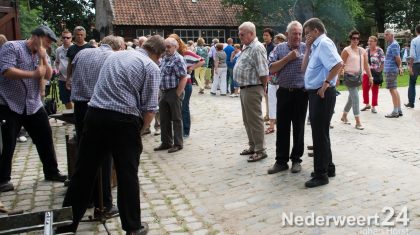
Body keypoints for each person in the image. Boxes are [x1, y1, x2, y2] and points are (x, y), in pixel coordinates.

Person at [59, 35, 166, 235]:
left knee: (83, 172)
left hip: (95, 114)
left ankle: (65, 225)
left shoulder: (115, 56)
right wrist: (139, 131)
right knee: (127, 175)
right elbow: (150, 109)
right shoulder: (151, 67)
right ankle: (133, 227)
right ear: (158, 54)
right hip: (123, 121)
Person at [0, 25, 67, 193]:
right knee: (8, 142)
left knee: (45, 137)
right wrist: (32, 74)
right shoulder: (12, 47)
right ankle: (3, 179)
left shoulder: (42, 54)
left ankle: (52, 171)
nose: (49, 46)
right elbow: (6, 71)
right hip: (9, 103)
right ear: (36, 37)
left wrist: (44, 59)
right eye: (47, 41)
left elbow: (48, 75)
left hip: (33, 104)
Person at [69, 35, 123, 216]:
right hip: (99, 108)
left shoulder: (82, 53)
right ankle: (105, 203)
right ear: (117, 47)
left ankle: (89, 199)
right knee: (104, 157)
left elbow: (71, 74)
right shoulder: (112, 58)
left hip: (80, 107)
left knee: (85, 155)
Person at [301, 18, 343, 188]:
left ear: (316, 30)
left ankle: (321, 174)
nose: (305, 37)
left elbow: (338, 64)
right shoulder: (316, 46)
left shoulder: (324, 44)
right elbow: (303, 69)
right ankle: (328, 167)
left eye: (307, 33)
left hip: (321, 93)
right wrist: (309, 48)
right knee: (322, 133)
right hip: (316, 93)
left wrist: (325, 84)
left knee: (319, 134)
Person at [267, 20, 307, 174]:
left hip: (300, 93)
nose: (297, 37)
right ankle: (281, 161)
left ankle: (296, 160)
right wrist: (288, 58)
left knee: (299, 128)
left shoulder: (306, 48)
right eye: (294, 33)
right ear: (287, 34)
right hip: (283, 92)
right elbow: (271, 68)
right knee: (282, 127)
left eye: (299, 34)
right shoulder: (279, 48)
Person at [234, 22, 269, 162]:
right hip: (245, 88)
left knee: (255, 120)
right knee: (247, 120)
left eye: (242, 34)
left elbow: (263, 71)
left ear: (251, 33)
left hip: (253, 88)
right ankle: (253, 146)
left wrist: (263, 87)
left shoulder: (257, 48)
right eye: (239, 34)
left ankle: (260, 150)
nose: (239, 36)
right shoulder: (247, 47)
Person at [154, 37, 187, 153]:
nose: (166, 49)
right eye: (165, 46)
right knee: (164, 118)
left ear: (175, 47)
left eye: (168, 47)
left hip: (173, 91)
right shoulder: (164, 58)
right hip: (163, 91)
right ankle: (166, 142)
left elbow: (184, 77)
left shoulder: (178, 59)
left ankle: (178, 143)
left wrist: (177, 94)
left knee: (176, 118)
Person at [168, 34, 204, 138]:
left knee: (184, 107)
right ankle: (176, 130)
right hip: (173, 85)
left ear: (177, 43)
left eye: (171, 44)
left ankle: (185, 131)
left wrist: (192, 67)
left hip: (186, 83)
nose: (168, 46)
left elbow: (201, 60)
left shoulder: (186, 53)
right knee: (174, 109)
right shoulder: (169, 54)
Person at [340, 30, 373, 130]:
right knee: (356, 98)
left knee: (351, 98)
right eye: (353, 38)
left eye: (357, 38)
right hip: (349, 77)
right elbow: (341, 64)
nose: (355, 40)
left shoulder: (362, 51)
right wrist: (338, 76)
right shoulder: (346, 50)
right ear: (350, 39)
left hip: (359, 77)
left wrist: (370, 76)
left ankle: (344, 116)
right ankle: (358, 122)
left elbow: (366, 65)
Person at [66, 26, 94, 92]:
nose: (79, 36)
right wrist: (68, 79)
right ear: (74, 35)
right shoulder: (71, 48)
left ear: (85, 36)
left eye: (81, 35)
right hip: (75, 78)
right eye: (78, 35)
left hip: (88, 78)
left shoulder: (91, 48)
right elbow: (69, 65)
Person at [361, 36, 385, 113]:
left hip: (375, 73)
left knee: (375, 90)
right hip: (366, 73)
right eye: (369, 41)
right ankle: (367, 104)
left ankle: (374, 106)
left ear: (375, 42)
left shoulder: (379, 50)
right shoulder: (366, 50)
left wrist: (379, 71)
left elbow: (383, 62)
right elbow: (363, 62)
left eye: (371, 41)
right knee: (365, 89)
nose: (369, 42)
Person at [383, 29, 404, 118]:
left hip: (391, 70)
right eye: (385, 34)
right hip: (391, 69)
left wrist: (399, 67)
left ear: (391, 35)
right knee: (394, 89)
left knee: (392, 89)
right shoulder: (391, 45)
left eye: (386, 34)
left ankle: (395, 111)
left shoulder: (394, 45)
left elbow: (397, 58)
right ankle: (399, 110)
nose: (385, 36)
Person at [55, 30, 74, 109]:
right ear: (61, 38)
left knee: (75, 99)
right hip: (62, 79)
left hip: (74, 79)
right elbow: (57, 62)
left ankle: (75, 117)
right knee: (65, 99)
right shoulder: (58, 50)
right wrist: (57, 71)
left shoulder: (75, 48)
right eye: (64, 37)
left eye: (68, 37)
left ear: (71, 38)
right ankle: (71, 117)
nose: (66, 39)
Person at [406, 24, 420, 108]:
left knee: (412, 83)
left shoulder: (414, 40)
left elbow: (413, 55)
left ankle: (411, 102)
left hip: (416, 64)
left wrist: (410, 66)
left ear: (416, 31)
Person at [263, 28, 275, 122]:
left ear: (271, 37)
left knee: (272, 97)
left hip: (271, 75)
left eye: (267, 35)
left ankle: (272, 116)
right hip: (264, 73)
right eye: (264, 35)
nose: (265, 37)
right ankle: (267, 114)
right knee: (266, 95)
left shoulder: (273, 47)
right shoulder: (263, 47)